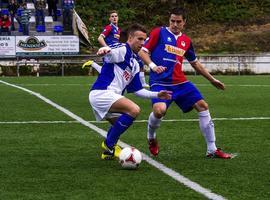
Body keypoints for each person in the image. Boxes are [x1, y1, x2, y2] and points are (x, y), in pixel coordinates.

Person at [138, 7, 232, 159]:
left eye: (178, 21)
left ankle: (212, 149)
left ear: (184, 23)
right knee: (159, 110)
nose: (174, 24)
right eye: (172, 21)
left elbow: (195, 63)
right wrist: (153, 66)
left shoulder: (186, 41)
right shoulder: (158, 32)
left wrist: (212, 79)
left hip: (180, 82)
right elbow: (142, 52)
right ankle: (151, 137)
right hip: (160, 82)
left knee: (203, 106)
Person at [89, 23, 172, 160]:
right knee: (134, 110)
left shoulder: (135, 62)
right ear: (130, 38)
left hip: (111, 96)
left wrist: (157, 94)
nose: (142, 42)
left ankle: (109, 151)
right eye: (139, 39)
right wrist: (104, 50)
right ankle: (109, 144)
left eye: (144, 40)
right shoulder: (123, 49)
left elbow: (138, 91)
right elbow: (110, 52)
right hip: (102, 93)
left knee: (118, 124)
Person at [83, 10, 149, 87]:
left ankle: (141, 83)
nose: (114, 18)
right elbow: (100, 38)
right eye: (112, 16)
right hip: (110, 53)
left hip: (118, 52)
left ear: (118, 18)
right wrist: (107, 48)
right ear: (109, 19)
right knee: (108, 71)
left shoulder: (118, 30)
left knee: (137, 63)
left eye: (116, 16)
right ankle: (93, 64)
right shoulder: (109, 27)